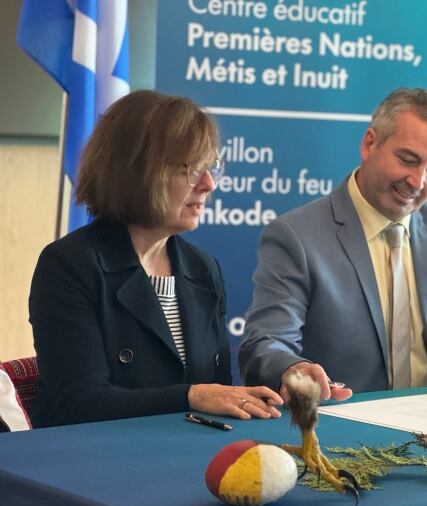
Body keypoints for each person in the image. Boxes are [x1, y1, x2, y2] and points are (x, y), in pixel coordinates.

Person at [239, 88, 427, 398]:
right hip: (345, 424)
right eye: (408, 160)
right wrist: (291, 368)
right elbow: (266, 342)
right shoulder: (297, 236)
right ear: (369, 144)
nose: (418, 182)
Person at [29, 90, 284, 426]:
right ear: (137, 173)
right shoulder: (68, 265)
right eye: (189, 169)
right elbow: (81, 404)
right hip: (92, 464)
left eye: (211, 167)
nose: (208, 184)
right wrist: (190, 396)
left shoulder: (202, 269)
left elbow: (219, 391)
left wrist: (282, 387)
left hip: (189, 456)